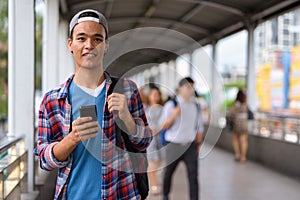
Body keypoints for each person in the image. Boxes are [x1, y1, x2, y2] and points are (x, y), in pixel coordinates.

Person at [34, 9, 152, 200]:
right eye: (81, 38)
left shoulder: (127, 90)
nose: (89, 45)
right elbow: (44, 160)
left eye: (97, 39)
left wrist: (127, 119)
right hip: (72, 195)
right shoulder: (53, 100)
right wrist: (71, 139)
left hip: (121, 193)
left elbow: (144, 141)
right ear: (70, 44)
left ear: (105, 46)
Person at [161, 77, 203, 200]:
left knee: (193, 175)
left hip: (190, 145)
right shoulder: (171, 105)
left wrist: (198, 145)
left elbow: (199, 127)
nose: (191, 90)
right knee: (168, 173)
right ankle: (165, 195)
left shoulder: (196, 106)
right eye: (188, 87)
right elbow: (163, 126)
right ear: (180, 88)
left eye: (192, 87)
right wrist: (174, 114)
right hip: (173, 144)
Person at [145, 85, 164, 195]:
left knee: (159, 162)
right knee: (152, 162)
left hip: (161, 139)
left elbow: (165, 123)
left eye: (157, 94)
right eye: (153, 94)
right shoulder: (145, 109)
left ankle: (155, 182)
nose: (156, 96)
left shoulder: (163, 109)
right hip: (150, 140)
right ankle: (154, 185)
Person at [228, 89, 248, 162]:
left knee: (235, 139)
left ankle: (237, 154)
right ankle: (243, 157)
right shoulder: (245, 104)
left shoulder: (236, 104)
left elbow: (230, 113)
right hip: (244, 124)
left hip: (237, 124)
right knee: (244, 141)